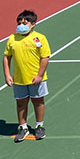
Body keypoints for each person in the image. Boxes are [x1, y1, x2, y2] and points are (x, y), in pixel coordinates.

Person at [3, 10, 51, 142]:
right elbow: (7, 57)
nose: (21, 25)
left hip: (35, 79)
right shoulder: (12, 38)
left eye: (25, 22)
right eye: (19, 23)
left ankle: (39, 126)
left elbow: (45, 57)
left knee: (38, 101)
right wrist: (7, 75)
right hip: (19, 79)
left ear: (33, 24)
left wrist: (40, 75)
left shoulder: (40, 38)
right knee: (21, 103)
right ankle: (23, 127)